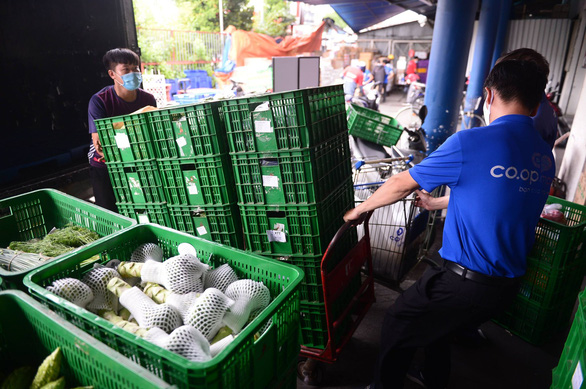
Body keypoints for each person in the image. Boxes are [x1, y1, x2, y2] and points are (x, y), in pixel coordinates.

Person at [344, 58, 555, 388]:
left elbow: (402, 182)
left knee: (400, 320)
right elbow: (493, 196)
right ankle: (434, 376)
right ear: (537, 101)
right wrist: (436, 202)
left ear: (488, 95)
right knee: (436, 323)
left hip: (465, 283)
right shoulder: (544, 155)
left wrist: (359, 210)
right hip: (506, 284)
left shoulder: (472, 142)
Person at [87, 48, 157, 212]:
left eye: (136, 69)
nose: (133, 73)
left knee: (144, 210)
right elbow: (100, 145)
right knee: (110, 211)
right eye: (126, 70)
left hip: (140, 162)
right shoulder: (100, 101)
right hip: (105, 165)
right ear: (112, 74)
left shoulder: (148, 99)